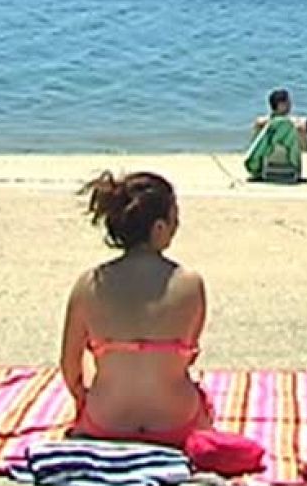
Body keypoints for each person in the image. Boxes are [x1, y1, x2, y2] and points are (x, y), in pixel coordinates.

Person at [62, 172, 210, 447]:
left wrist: (85, 398)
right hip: (175, 420)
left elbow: (70, 366)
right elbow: (188, 356)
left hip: (106, 421)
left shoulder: (89, 284)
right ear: (159, 228)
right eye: (174, 219)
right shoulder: (190, 283)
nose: (177, 226)